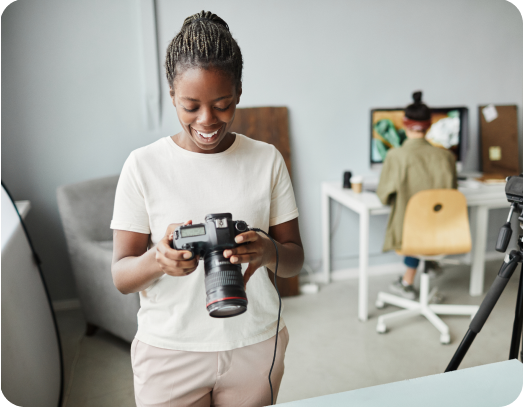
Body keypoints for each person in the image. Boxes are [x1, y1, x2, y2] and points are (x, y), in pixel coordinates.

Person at [110, 11, 304, 407]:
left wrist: (267, 251)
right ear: (171, 95)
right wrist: (157, 260)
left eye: (222, 104)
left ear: (239, 92)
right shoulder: (142, 165)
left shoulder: (266, 159)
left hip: (254, 342)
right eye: (190, 106)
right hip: (169, 349)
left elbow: (294, 261)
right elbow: (121, 277)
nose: (207, 120)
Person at [376, 91, 457, 300]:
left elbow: (383, 196)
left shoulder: (396, 156)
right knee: (428, 222)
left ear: (404, 123)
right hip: (440, 230)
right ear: (429, 124)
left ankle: (408, 282)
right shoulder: (447, 157)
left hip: (411, 234)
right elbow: (452, 195)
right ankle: (429, 266)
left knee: (411, 224)